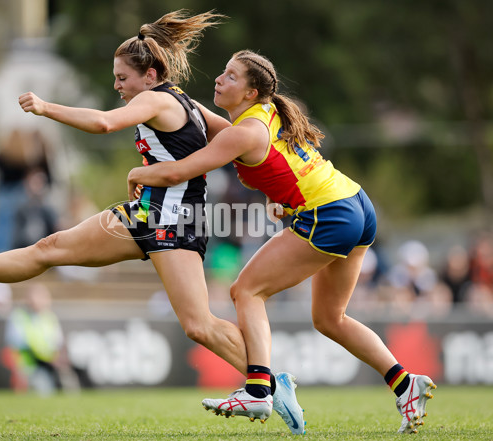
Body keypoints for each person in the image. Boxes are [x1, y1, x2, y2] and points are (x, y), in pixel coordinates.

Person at [0, 11, 304, 434]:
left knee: (198, 325)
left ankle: (270, 382)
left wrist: (45, 108)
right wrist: (276, 188)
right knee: (50, 249)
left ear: (149, 76)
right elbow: (244, 147)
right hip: (145, 215)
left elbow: (102, 123)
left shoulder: (154, 99)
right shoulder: (186, 103)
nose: (117, 86)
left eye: (122, 78)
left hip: (173, 222)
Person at [126, 50, 437, 434]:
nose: (220, 80)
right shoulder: (265, 115)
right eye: (223, 73)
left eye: (231, 76)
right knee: (329, 319)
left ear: (251, 92)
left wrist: (136, 172)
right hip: (355, 203)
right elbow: (282, 164)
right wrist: (281, 200)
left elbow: (177, 173)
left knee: (246, 291)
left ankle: (258, 390)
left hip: (330, 213)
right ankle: (406, 386)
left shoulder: (243, 131)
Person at [4, 283, 64, 395]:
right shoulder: (19, 316)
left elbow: (57, 344)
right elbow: (15, 344)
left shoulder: (50, 317)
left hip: (48, 367)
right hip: (27, 367)